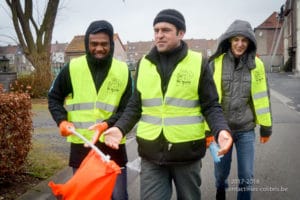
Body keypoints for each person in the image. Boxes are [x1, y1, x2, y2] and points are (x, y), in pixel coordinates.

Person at [103, 9, 233, 199]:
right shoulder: (144, 64)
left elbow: (211, 105)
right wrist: (120, 128)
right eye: (156, 30)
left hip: (187, 153)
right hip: (151, 153)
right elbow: (135, 106)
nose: (159, 35)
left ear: (181, 33)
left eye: (165, 30)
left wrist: (220, 130)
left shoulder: (198, 63)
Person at [48, 20, 132, 200]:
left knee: (118, 196)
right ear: (87, 44)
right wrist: (61, 120)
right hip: (82, 145)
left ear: (111, 43)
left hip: (113, 144)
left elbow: (128, 108)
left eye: (104, 44)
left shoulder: (123, 71)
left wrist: (106, 125)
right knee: (85, 196)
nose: (99, 48)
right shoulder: (72, 68)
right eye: (94, 44)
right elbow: (54, 97)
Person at [208, 20, 272, 200]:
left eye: (244, 40)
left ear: (249, 42)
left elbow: (263, 97)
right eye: (236, 39)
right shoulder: (216, 63)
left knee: (246, 176)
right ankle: (220, 190)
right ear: (229, 41)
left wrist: (267, 127)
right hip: (222, 130)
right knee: (221, 174)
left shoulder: (257, 65)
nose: (240, 44)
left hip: (246, 129)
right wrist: (207, 129)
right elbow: (208, 100)